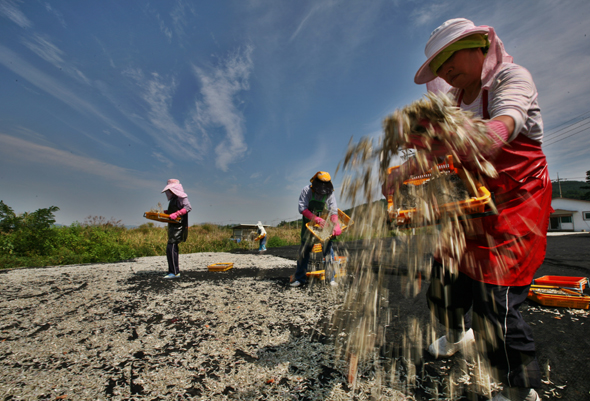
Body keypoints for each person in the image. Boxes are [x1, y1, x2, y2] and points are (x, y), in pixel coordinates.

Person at [384, 18, 552, 401]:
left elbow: (505, 123)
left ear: (480, 45)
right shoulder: (455, 103)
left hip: (516, 202)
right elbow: (440, 152)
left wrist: (482, 133)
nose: (446, 70)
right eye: (439, 66)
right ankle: (458, 334)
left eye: (450, 57)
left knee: (495, 301)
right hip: (470, 201)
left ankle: (519, 390)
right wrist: (403, 172)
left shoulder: (512, 79)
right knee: (445, 281)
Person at [291, 171, 342, 288]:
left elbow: (333, 210)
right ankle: (300, 279)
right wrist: (316, 219)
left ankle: (331, 279)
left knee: (329, 252)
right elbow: (302, 208)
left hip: (325, 225)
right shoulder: (306, 190)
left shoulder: (330, 193)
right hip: (309, 224)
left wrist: (336, 225)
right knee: (304, 252)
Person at [161, 179, 192, 279]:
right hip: (172, 225)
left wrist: (177, 213)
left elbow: (188, 207)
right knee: (170, 247)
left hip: (179, 226)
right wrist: (168, 213)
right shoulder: (174, 199)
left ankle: (174, 272)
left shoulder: (182, 197)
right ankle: (173, 270)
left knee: (172, 247)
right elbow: (175, 210)